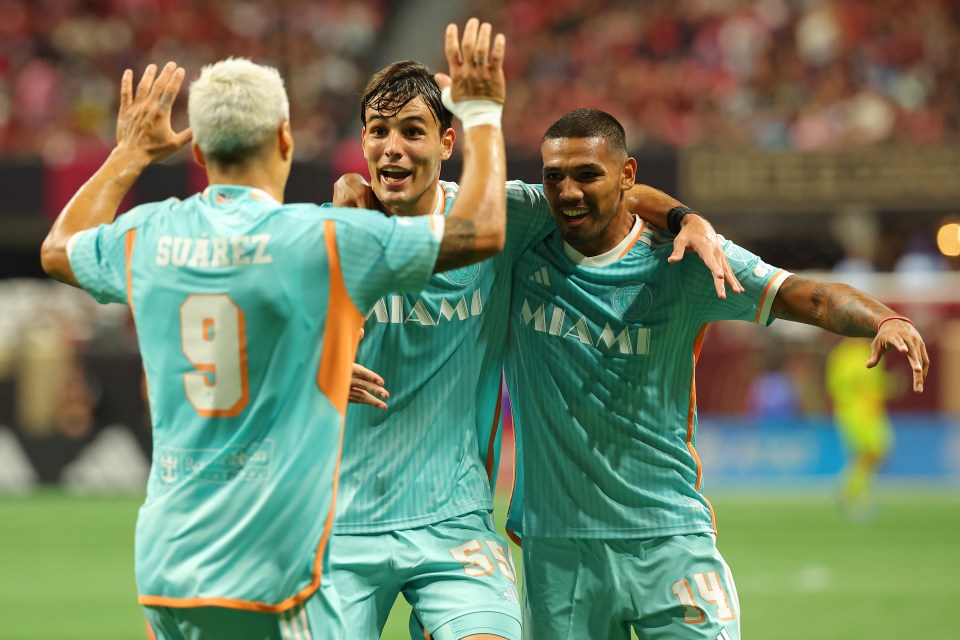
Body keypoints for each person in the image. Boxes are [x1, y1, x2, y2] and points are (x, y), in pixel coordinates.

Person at [39, 17, 511, 639]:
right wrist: (482, 111)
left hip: (168, 558)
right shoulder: (315, 241)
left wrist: (127, 155)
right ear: (287, 141)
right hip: (272, 557)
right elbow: (481, 232)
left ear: (200, 152)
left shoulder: (153, 233)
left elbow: (58, 249)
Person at [330, 59, 741, 640]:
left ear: (448, 142)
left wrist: (683, 216)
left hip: (454, 524)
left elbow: (602, 187)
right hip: (340, 524)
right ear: (363, 141)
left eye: (412, 131)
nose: (392, 148)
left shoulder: (502, 217)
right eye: (378, 131)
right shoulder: (323, 234)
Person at [503, 108, 929, 640]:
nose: (567, 191)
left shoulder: (686, 260)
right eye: (553, 177)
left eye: (588, 174)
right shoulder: (518, 243)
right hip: (558, 550)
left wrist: (882, 318)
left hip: (669, 539)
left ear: (628, 175)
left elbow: (811, 296)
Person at [826, 337, 894, 520]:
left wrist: (890, 386)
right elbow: (841, 385)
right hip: (857, 413)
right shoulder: (845, 354)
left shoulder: (867, 350)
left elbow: (875, 384)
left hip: (871, 412)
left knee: (875, 454)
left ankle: (849, 489)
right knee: (868, 453)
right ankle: (854, 495)